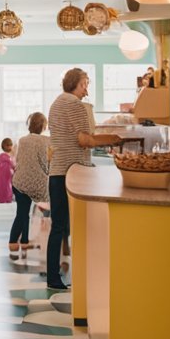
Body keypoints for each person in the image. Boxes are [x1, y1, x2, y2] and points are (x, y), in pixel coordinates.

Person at [46, 69, 123, 290]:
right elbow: (84, 140)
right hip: (73, 172)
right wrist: (113, 139)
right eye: (85, 84)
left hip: (57, 170)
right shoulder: (75, 105)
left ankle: (53, 276)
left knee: (58, 226)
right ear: (76, 84)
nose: (86, 90)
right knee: (79, 225)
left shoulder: (56, 103)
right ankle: (85, 275)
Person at [8, 113, 49, 259]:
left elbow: (19, 160)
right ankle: (32, 241)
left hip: (19, 182)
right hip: (37, 184)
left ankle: (15, 242)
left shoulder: (22, 140)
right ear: (44, 126)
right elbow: (45, 164)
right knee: (43, 213)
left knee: (21, 213)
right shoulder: (45, 141)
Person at [0, 139, 15, 203]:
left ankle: (8, 198)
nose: (9, 147)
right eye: (8, 145)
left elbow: (13, 165)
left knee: (8, 187)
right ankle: (2, 198)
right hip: (2, 175)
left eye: (11, 145)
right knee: (3, 186)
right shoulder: (2, 156)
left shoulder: (9, 156)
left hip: (8, 175)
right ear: (3, 146)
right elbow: (12, 164)